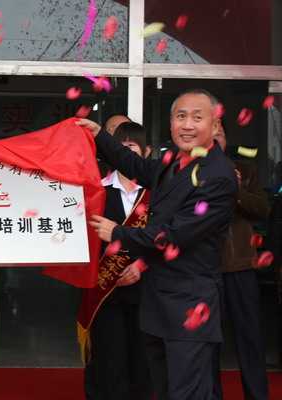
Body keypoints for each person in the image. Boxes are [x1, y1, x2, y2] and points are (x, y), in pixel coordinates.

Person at [78, 88, 238, 400]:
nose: (187, 125)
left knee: (188, 392)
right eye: (180, 116)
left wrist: (118, 233)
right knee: (162, 389)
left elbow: (175, 235)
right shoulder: (175, 162)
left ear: (215, 124)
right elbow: (137, 166)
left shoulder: (218, 175)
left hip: (189, 306)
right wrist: (100, 136)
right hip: (158, 304)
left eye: (197, 117)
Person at [83, 121, 152, 400]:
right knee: (109, 359)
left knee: (142, 360)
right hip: (106, 292)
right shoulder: (96, 190)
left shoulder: (157, 192)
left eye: (132, 147)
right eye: (120, 148)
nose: (125, 154)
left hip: (147, 290)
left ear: (146, 152)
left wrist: (141, 266)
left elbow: (168, 237)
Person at [213, 123, 270, 400]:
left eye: (219, 133)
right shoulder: (189, 171)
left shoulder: (244, 170)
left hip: (240, 266)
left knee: (250, 337)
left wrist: (235, 190)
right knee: (208, 342)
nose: (215, 138)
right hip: (205, 269)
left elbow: (262, 209)